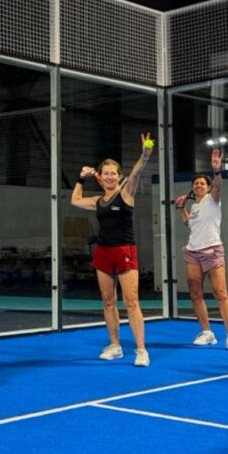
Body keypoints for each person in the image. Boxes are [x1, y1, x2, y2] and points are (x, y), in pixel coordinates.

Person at [71, 134, 153, 367]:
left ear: (119, 176)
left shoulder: (126, 193)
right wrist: (81, 177)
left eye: (113, 173)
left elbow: (136, 173)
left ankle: (141, 350)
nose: (109, 177)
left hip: (125, 250)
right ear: (101, 177)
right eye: (105, 173)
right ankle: (115, 345)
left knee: (131, 300)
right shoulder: (97, 201)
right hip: (103, 252)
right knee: (108, 301)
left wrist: (145, 155)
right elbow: (75, 200)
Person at [175, 148, 228, 351]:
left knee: (221, 293)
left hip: (212, 251)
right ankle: (207, 332)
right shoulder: (194, 207)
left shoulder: (213, 199)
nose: (199, 185)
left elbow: (219, 185)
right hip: (192, 252)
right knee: (195, 294)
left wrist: (217, 170)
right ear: (192, 188)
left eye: (202, 183)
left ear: (209, 187)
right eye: (196, 184)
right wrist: (181, 209)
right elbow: (190, 225)